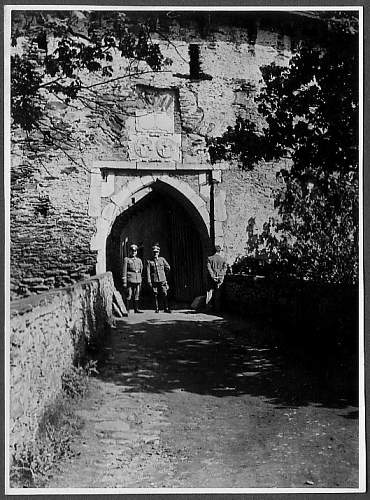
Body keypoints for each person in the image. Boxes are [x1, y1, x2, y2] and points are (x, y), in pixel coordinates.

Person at [147, 243, 171, 313]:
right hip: (154, 280)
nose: (155, 253)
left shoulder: (162, 259)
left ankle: (166, 308)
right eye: (154, 252)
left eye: (156, 252)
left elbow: (168, 267)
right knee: (155, 294)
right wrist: (149, 281)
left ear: (159, 252)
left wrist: (164, 275)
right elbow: (148, 272)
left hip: (162, 279)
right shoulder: (149, 261)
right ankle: (156, 308)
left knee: (164, 293)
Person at [122, 244, 143, 313]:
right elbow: (124, 270)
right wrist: (124, 281)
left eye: (135, 251)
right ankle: (127, 309)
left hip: (137, 279)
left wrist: (140, 279)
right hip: (130, 279)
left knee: (137, 294)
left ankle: (136, 309)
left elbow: (141, 269)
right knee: (129, 294)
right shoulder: (127, 259)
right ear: (130, 251)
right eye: (132, 251)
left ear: (136, 252)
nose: (133, 252)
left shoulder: (139, 260)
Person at [206, 245, 228, 312]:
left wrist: (213, 276)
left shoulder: (210, 258)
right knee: (218, 293)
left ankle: (208, 308)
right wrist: (220, 275)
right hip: (220, 278)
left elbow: (209, 268)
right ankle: (217, 309)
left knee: (209, 292)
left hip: (211, 278)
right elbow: (225, 269)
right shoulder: (223, 259)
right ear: (220, 251)